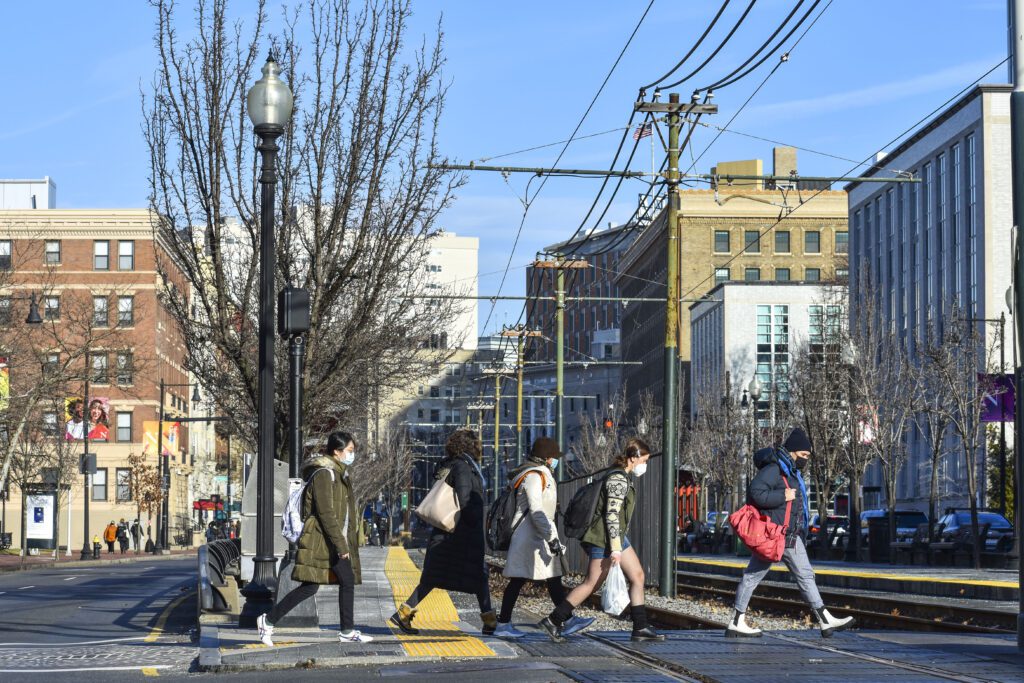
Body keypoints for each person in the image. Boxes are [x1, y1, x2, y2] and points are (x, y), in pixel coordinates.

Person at [726, 427, 855, 639]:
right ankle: (824, 619)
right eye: (804, 455)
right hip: (776, 535)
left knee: (798, 575)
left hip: (787, 535)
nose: (805, 460)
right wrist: (782, 495)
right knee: (770, 576)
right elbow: (755, 493)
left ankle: (737, 620)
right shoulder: (775, 468)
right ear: (794, 451)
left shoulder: (790, 470)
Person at [540, 438, 664, 643]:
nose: (645, 465)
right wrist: (615, 549)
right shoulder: (618, 479)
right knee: (591, 583)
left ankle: (640, 627)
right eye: (644, 460)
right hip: (604, 538)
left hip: (615, 536)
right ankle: (553, 620)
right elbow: (612, 515)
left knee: (638, 575)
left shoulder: (622, 476)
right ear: (633, 458)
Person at [257, 431, 373, 645]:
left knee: (333, 583)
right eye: (349, 451)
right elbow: (326, 513)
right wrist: (341, 544)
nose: (352, 455)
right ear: (337, 452)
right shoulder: (324, 474)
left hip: (331, 539)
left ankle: (346, 631)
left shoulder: (339, 474)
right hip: (321, 540)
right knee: (322, 585)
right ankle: (268, 620)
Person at [390, 429, 496, 636]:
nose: (480, 448)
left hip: (448, 532)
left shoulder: (450, 465)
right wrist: (475, 521)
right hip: (460, 534)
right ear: (470, 446)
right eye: (477, 444)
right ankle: (490, 621)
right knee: (477, 574)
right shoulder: (464, 467)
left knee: (438, 576)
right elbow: (466, 498)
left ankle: (404, 613)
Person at [494, 438, 594, 639]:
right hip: (528, 538)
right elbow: (536, 510)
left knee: (553, 578)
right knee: (518, 580)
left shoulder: (540, 474)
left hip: (537, 537)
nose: (556, 461)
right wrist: (551, 536)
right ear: (546, 458)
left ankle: (566, 618)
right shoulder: (533, 476)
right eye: (554, 458)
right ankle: (503, 624)